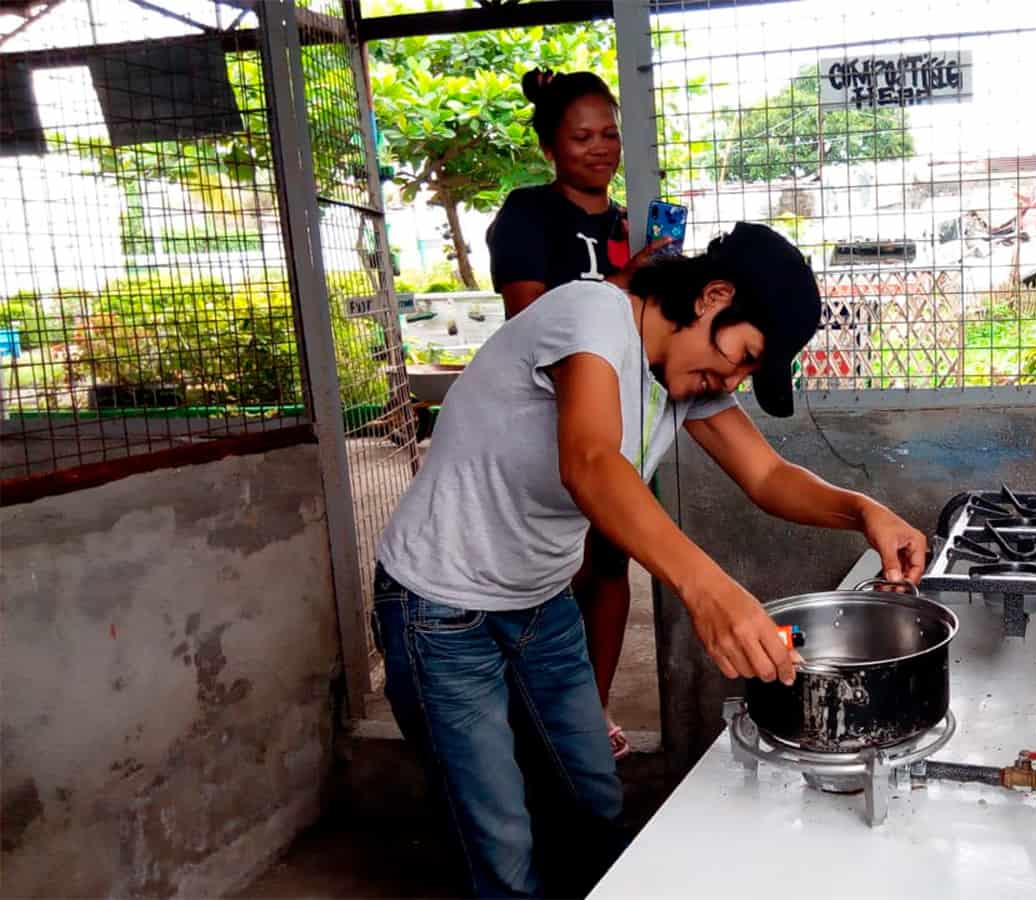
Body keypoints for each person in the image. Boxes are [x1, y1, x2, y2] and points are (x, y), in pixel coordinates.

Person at [373, 221, 927, 897]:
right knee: (498, 838)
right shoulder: (594, 315)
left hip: (538, 605)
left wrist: (865, 511)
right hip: (439, 609)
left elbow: (767, 477)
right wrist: (708, 589)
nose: (733, 378)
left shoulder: (689, 377)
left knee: (591, 801)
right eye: (743, 356)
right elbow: (591, 461)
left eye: (749, 373)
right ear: (712, 296)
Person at [483, 68, 669, 759]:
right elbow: (526, 318)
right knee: (546, 571)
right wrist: (629, 279)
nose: (601, 148)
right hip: (544, 419)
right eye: (582, 136)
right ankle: (531, 710)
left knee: (610, 569)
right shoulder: (527, 212)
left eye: (610, 133)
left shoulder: (631, 221)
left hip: (622, 414)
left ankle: (591, 714)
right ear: (551, 148)